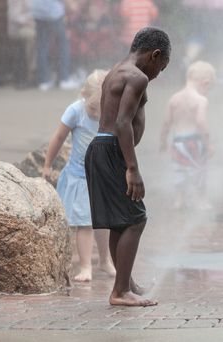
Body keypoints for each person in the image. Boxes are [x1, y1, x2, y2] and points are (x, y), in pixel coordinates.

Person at [84, 27, 170, 306]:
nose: (158, 74)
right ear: (154, 55)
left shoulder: (118, 70)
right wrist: (132, 168)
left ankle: (126, 282)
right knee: (135, 219)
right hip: (111, 150)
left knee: (119, 222)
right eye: (161, 67)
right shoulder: (137, 76)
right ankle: (120, 291)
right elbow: (122, 123)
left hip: (101, 148)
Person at [43, 69, 116, 282]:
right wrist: (47, 165)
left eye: (101, 109)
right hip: (80, 177)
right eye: (94, 108)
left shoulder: (112, 114)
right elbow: (58, 137)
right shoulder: (76, 111)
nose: (96, 114)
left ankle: (105, 261)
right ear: (84, 96)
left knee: (104, 222)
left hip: (103, 178)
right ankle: (85, 266)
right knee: (84, 222)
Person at [160, 61, 216, 210]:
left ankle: (179, 200)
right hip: (194, 141)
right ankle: (201, 201)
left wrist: (163, 141)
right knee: (199, 171)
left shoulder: (174, 98)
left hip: (177, 141)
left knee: (180, 171)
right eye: (209, 88)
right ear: (205, 82)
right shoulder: (201, 100)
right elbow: (201, 122)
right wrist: (209, 143)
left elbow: (166, 123)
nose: (207, 92)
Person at [31, 0, 78, 90]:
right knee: (63, 43)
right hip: (53, 12)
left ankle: (43, 81)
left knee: (42, 46)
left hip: (38, 11)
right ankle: (64, 78)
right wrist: (71, 5)